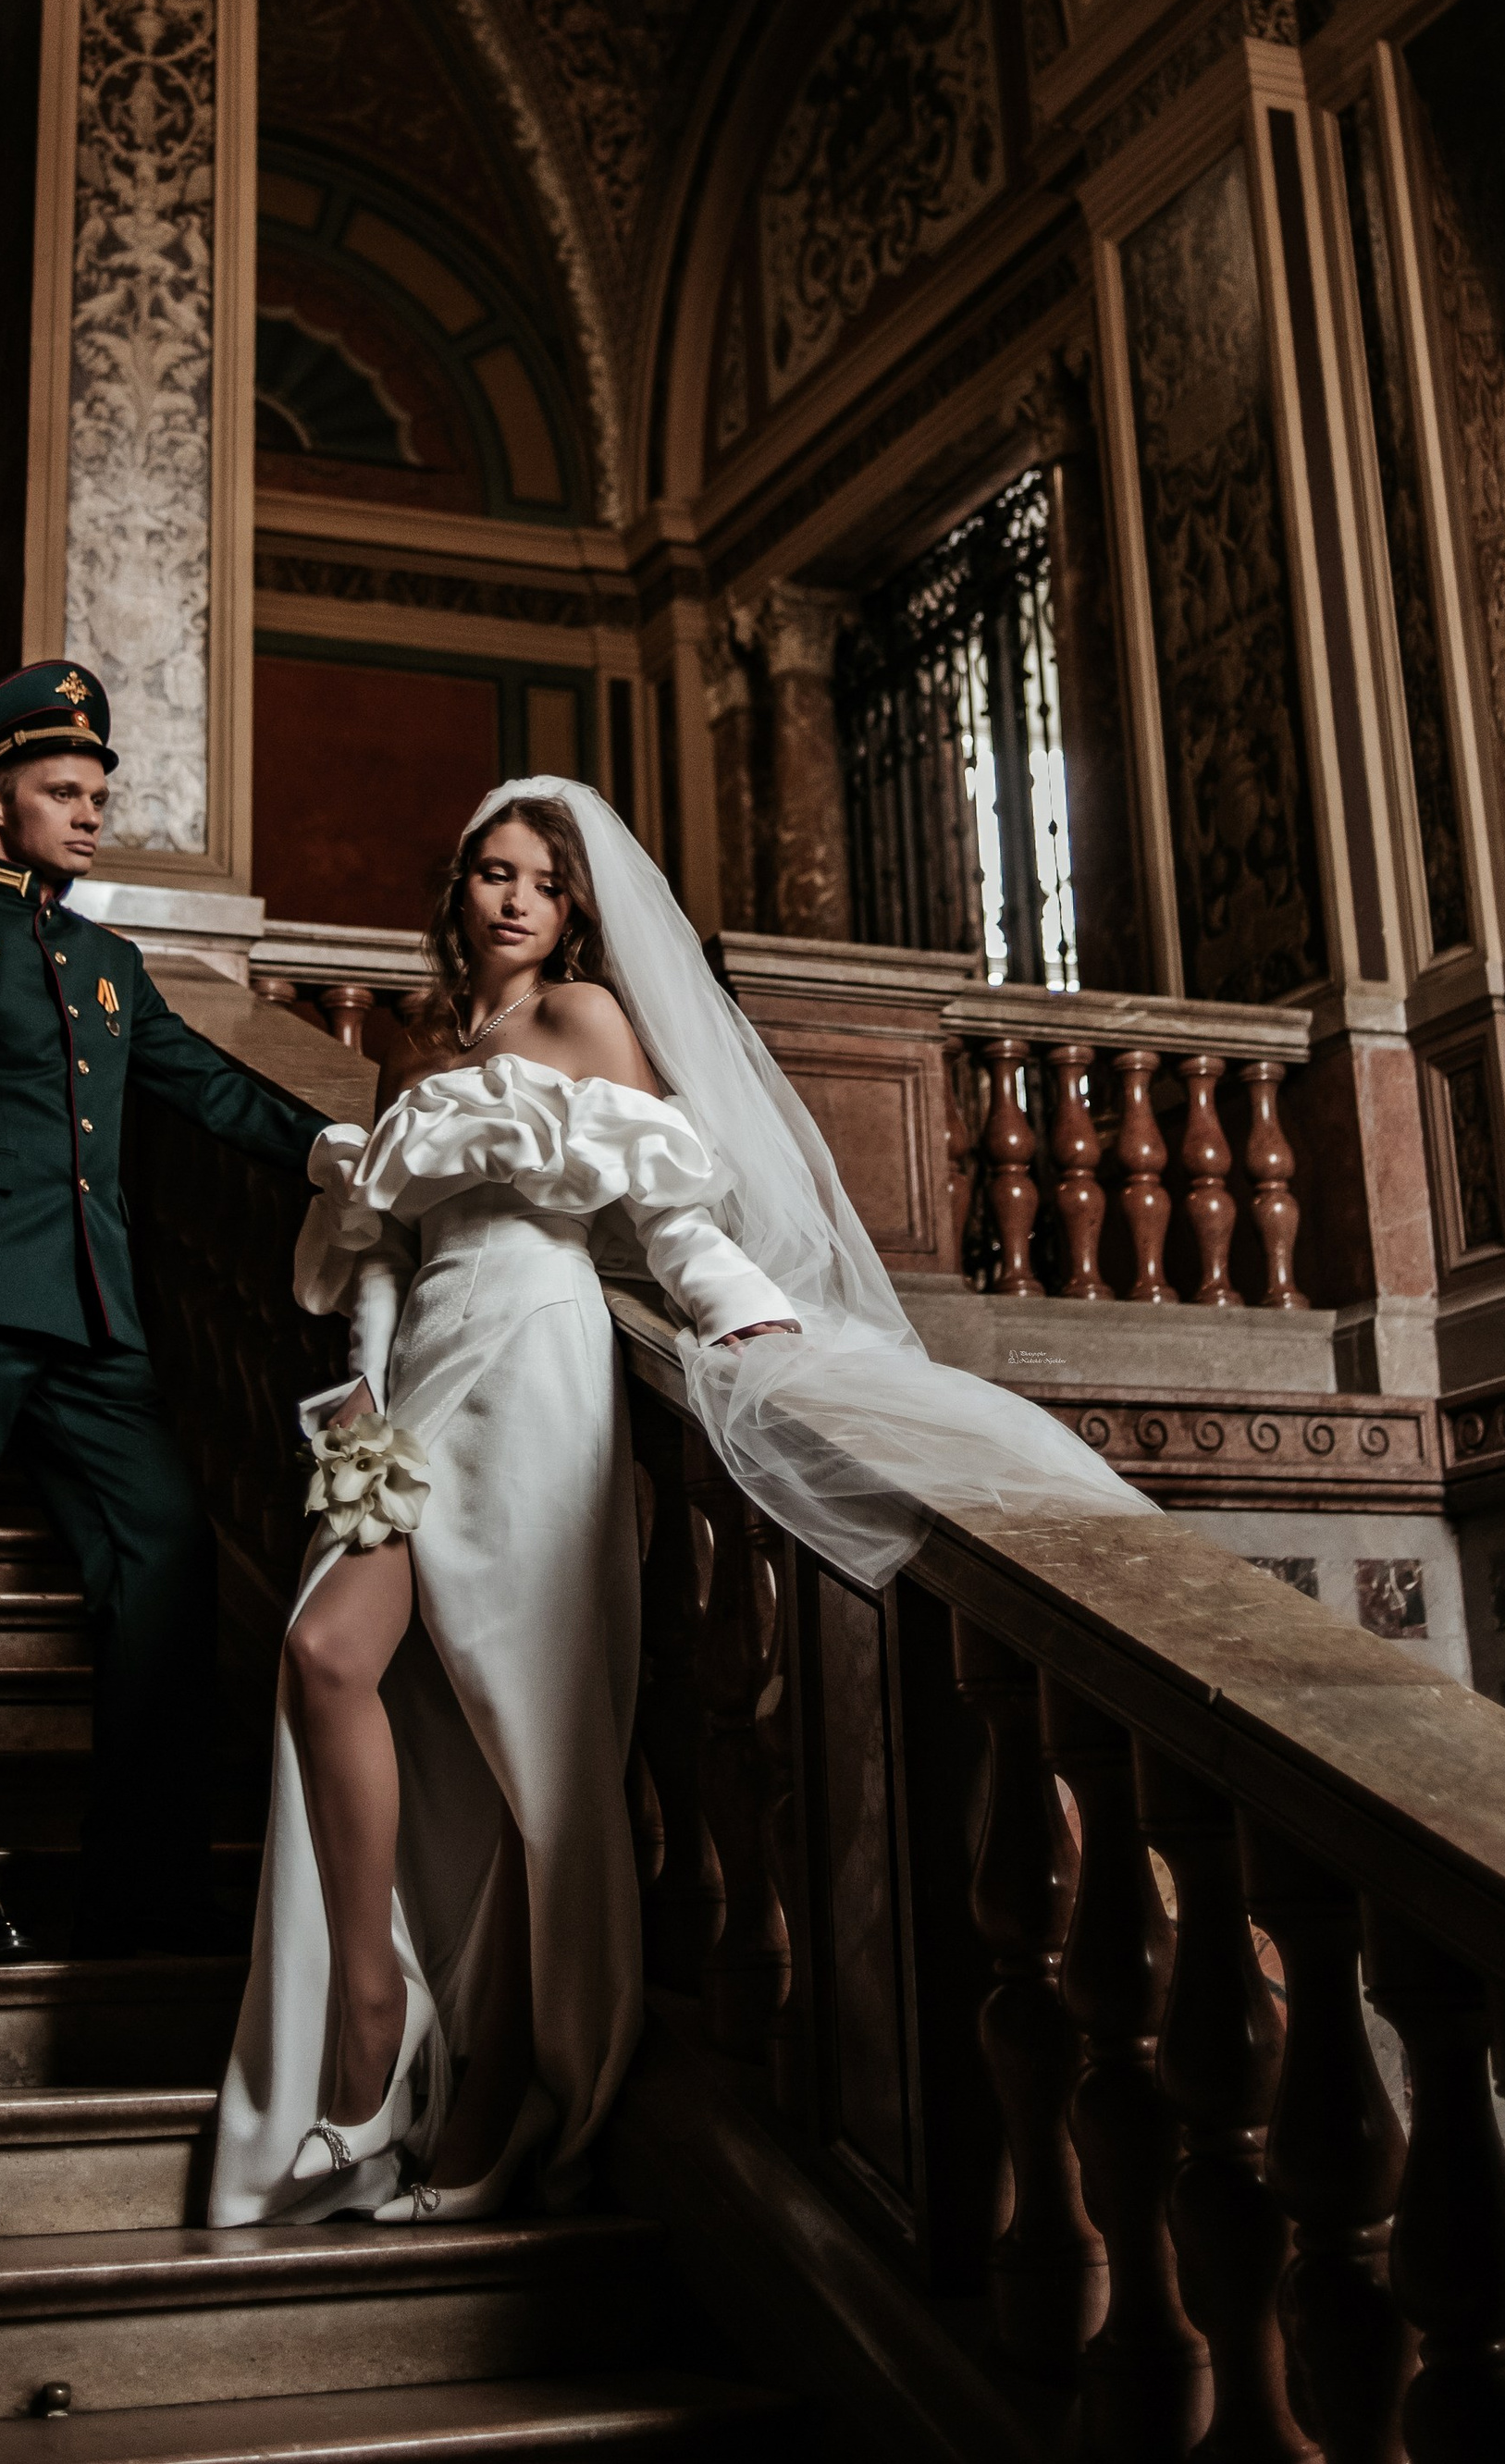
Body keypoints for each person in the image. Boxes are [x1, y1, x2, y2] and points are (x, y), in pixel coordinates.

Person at [210, 774, 1150, 2229]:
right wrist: (362, 1399)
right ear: (457, 893)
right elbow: (379, 1252)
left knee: (520, 1728)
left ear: (572, 907)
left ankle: (502, 2094)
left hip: (537, 1360)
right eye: (492, 874)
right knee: (329, 1657)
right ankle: (373, 2005)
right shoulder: (412, 1057)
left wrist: (748, 1323)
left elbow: (666, 1211)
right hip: (412, 1393)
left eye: (541, 880)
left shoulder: (587, 1026)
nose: (516, 899)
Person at [0, 658, 330, 1966]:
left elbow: (210, 1093)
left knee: (164, 1560)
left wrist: (351, 1150)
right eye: (64, 789)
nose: (91, 811)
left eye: (100, 791)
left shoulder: (109, 962)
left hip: (102, 1326)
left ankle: (146, 1890)